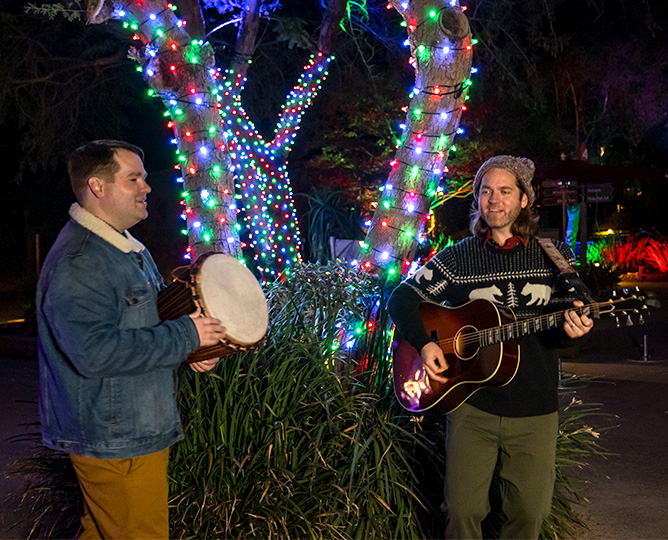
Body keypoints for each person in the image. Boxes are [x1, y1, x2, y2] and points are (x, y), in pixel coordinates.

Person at [387, 155, 593, 539]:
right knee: (462, 511)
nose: (493, 200)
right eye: (485, 191)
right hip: (472, 408)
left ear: (524, 201)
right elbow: (401, 298)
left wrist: (575, 330)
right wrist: (426, 343)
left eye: (504, 191)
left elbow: (566, 329)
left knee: (529, 515)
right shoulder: (459, 257)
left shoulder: (553, 257)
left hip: (534, 407)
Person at [36, 140, 227, 539]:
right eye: (134, 178)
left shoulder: (121, 248)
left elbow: (141, 324)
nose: (147, 187)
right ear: (98, 187)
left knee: (102, 532)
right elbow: (94, 352)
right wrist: (185, 334)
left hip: (129, 431)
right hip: (116, 438)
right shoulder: (82, 261)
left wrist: (190, 350)